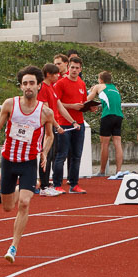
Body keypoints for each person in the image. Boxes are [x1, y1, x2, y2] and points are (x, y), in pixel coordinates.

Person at [0, 66, 55, 264]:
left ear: (39, 86)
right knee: (7, 207)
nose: (28, 87)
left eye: (32, 83)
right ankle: (18, 189)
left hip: (28, 162)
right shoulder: (10, 105)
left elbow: (49, 136)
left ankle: (13, 246)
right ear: (20, 86)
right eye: (25, 83)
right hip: (8, 160)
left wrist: (44, 152)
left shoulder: (45, 112)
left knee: (25, 203)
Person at [37, 63, 76, 195]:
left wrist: (73, 121)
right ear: (49, 74)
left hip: (50, 127)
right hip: (44, 127)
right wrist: (57, 125)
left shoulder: (52, 87)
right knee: (45, 154)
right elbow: (46, 111)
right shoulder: (42, 88)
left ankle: (46, 184)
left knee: (51, 154)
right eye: (56, 74)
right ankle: (43, 186)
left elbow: (59, 107)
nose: (58, 76)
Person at [53, 56, 88, 194]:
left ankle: (74, 184)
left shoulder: (81, 83)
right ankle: (57, 184)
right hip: (64, 123)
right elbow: (57, 104)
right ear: (68, 68)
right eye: (72, 67)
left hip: (79, 123)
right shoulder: (61, 83)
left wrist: (89, 107)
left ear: (80, 69)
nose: (74, 70)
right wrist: (72, 106)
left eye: (77, 68)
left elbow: (83, 102)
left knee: (77, 155)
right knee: (61, 155)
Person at [87, 71, 125, 177]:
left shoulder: (99, 86)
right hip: (119, 116)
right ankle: (118, 171)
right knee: (117, 143)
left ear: (101, 79)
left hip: (107, 116)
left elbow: (87, 99)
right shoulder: (115, 88)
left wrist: (89, 92)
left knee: (104, 144)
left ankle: (102, 171)